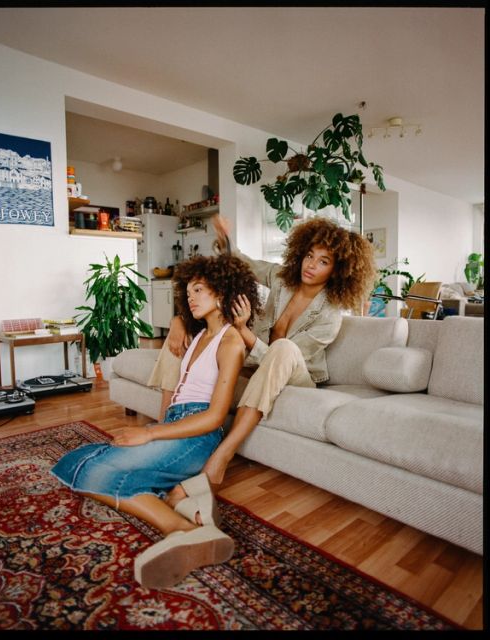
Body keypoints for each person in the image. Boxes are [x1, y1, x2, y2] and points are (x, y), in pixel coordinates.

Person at [51, 253, 263, 590]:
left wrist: (150, 435)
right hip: (176, 426)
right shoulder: (198, 337)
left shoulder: (230, 341)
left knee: (97, 471)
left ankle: (185, 530)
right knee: (72, 461)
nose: (189, 298)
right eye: (188, 292)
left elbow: (214, 417)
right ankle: (183, 502)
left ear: (221, 292)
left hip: (197, 435)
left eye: (198, 290)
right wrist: (154, 430)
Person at [152, 214, 377, 505]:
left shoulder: (330, 315)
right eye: (309, 255)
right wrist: (225, 240)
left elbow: (285, 356)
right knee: (185, 340)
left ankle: (223, 455)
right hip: (256, 369)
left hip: (296, 378)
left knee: (283, 348)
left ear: (337, 270)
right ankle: (162, 431)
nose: (311, 265)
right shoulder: (283, 278)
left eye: (323, 261)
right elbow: (244, 262)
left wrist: (243, 330)